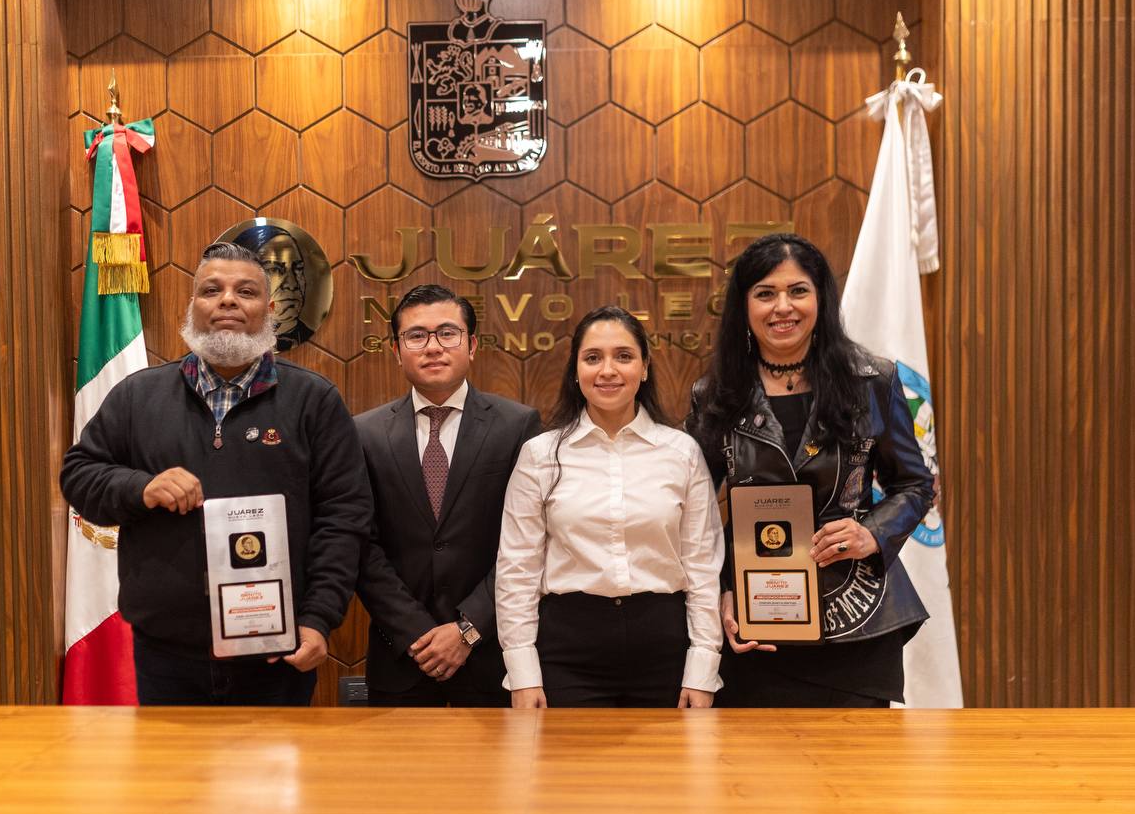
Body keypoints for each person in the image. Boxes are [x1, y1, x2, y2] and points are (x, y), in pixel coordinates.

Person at [60, 241, 371, 706]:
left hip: (275, 656)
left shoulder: (314, 400)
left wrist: (318, 618)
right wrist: (141, 487)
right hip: (165, 655)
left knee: (269, 778)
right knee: (173, 780)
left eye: (245, 291)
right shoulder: (137, 396)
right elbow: (78, 476)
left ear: (269, 310)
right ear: (193, 306)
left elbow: (343, 518)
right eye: (211, 290)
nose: (227, 300)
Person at [687, 233, 934, 708]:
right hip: (754, 617)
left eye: (798, 290)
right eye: (765, 293)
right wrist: (721, 590)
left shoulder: (872, 381)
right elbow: (692, 512)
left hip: (855, 616)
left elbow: (915, 485)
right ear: (745, 306)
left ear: (821, 298)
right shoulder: (715, 394)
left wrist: (873, 532)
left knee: (855, 774)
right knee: (754, 777)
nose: (783, 307)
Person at [496, 306, 724, 708]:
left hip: (665, 651)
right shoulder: (540, 455)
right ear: (576, 370)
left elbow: (703, 567)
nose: (608, 370)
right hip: (567, 653)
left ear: (645, 367)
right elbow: (518, 570)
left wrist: (703, 670)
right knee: (569, 772)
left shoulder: (681, 452)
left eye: (623, 356)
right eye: (592, 358)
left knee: (672, 771)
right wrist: (523, 675)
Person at [356, 284, 540, 707]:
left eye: (447, 333)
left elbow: (528, 544)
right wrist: (415, 632)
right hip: (402, 658)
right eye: (416, 336)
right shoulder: (364, 434)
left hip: (492, 657)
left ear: (472, 345)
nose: (433, 347)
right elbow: (361, 545)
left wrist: (468, 628)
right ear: (396, 350)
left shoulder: (517, 426)